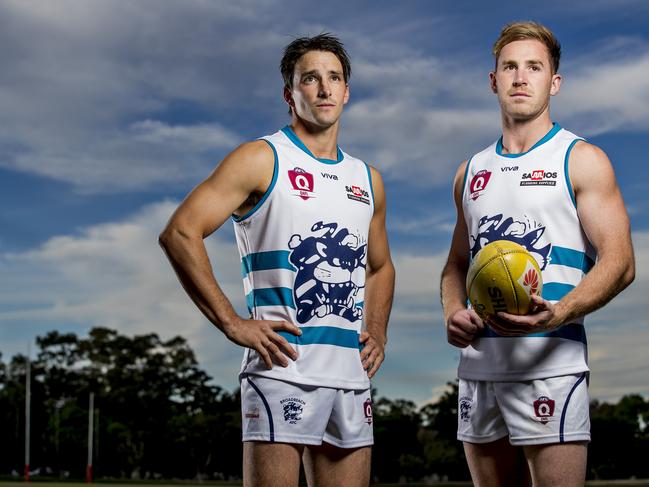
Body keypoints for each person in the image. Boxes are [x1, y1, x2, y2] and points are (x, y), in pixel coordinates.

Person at [159, 33, 395, 487]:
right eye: (310, 78)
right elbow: (180, 233)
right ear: (290, 93)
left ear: (347, 91)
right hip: (283, 369)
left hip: (349, 375)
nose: (324, 89)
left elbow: (381, 266)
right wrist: (232, 322)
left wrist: (378, 330)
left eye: (334, 78)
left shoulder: (368, 179)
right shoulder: (261, 159)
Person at [440, 21, 635, 487]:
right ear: (493, 81)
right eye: (509, 67)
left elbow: (621, 262)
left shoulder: (580, 158)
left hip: (550, 365)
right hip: (480, 366)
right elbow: (456, 266)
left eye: (534, 67)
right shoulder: (470, 171)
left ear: (554, 82)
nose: (520, 77)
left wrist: (560, 311)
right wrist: (452, 310)